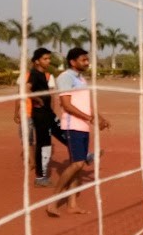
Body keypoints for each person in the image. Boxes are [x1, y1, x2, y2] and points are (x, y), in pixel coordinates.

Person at [47, 47, 110, 217]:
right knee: (77, 164)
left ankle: (72, 204)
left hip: (82, 126)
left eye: (87, 59)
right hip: (72, 125)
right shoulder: (65, 78)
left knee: (78, 166)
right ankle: (52, 202)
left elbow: (86, 104)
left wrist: (99, 117)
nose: (87, 62)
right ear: (72, 62)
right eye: (83, 59)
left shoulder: (80, 79)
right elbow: (66, 105)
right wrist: (89, 119)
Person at [22, 47, 69, 187]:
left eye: (49, 58)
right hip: (40, 115)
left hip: (48, 113)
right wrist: (37, 99)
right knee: (44, 144)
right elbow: (26, 89)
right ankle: (40, 177)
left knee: (63, 133)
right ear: (37, 61)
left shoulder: (44, 74)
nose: (48, 61)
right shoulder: (35, 74)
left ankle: (83, 155)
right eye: (45, 59)